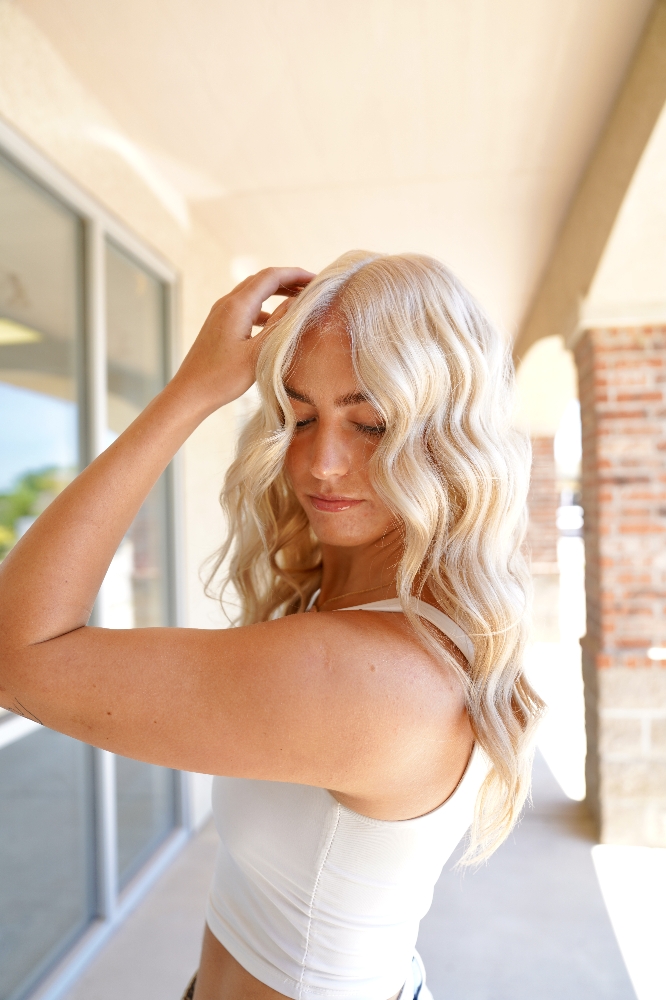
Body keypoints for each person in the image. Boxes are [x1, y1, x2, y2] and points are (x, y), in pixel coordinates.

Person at [0, 250, 543, 1000]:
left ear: (447, 436)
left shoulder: (370, 675)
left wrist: (189, 393)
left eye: (371, 422)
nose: (321, 462)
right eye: (298, 414)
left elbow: (17, 655)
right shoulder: (362, 617)